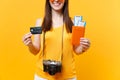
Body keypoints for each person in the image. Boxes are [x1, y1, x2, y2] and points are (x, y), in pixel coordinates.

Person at [22, 0, 90, 80]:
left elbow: (77, 50)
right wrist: (30, 44)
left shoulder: (73, 23)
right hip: (43, 76)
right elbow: (35, 50)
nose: (56, 0)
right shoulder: (40, 22)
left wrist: (84, 47)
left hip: (67, 76)